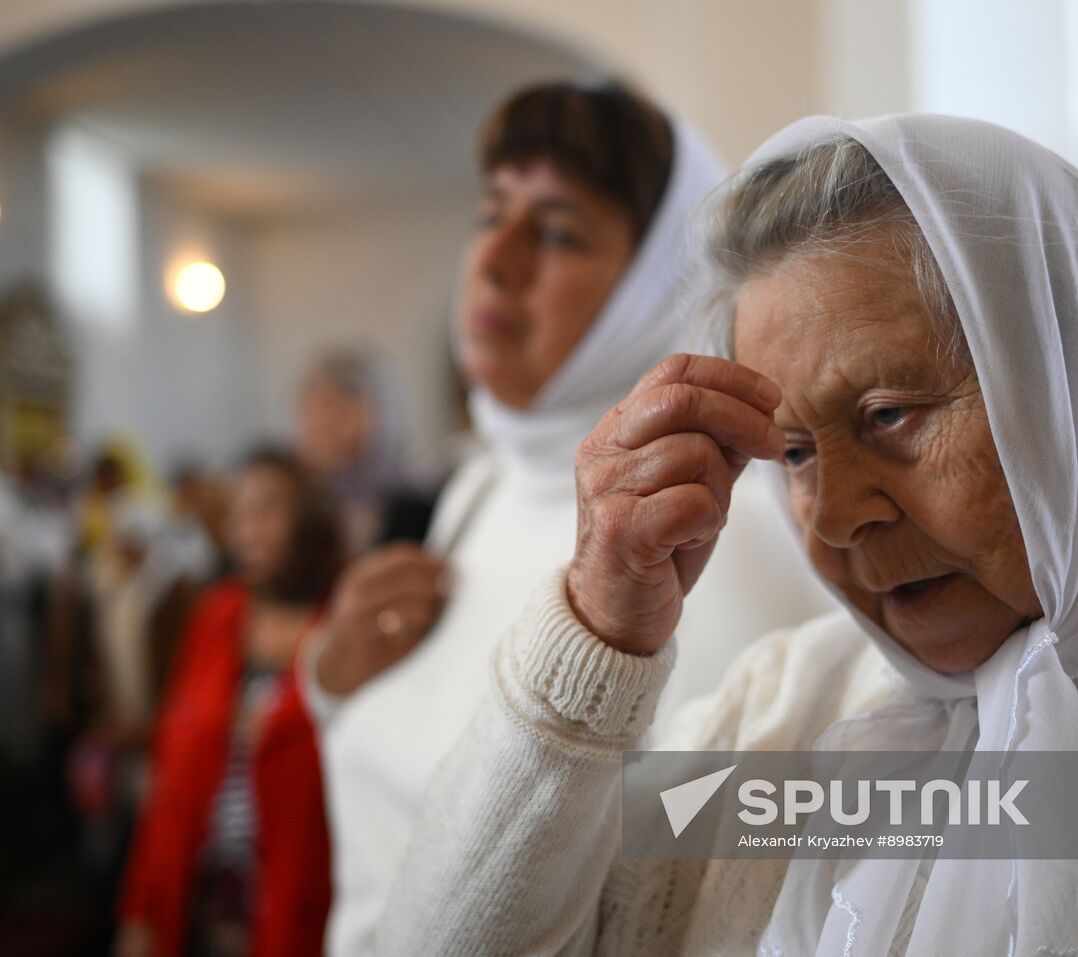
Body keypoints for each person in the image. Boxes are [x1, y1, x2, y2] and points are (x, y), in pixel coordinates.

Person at [370, 115, 1078, 955]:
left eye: (890, 415)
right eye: (795, 452)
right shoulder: (783, 716)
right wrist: (597, 632)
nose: (839, 516)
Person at [302, 81, 837, 955]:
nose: (496, 259)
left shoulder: (709, 529)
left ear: (659, 281)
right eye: (490, 215)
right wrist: (332, 687)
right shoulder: (479, 489)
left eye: (556, 231)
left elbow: (683, 882)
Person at [117, 448, 339, 957]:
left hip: (300, 907)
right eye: (237, 513)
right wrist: (140, 910)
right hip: (200, 898)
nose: (247, 530)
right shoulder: (216, 617)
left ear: (310, 517)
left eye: (267, 510)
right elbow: (169, 777)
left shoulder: (342, 625)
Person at [295, 351, 437, 555]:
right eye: (309, 411)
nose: (320, 424)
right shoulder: (301, 497)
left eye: (334, 408)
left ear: (370, 412)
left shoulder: (408, 496)